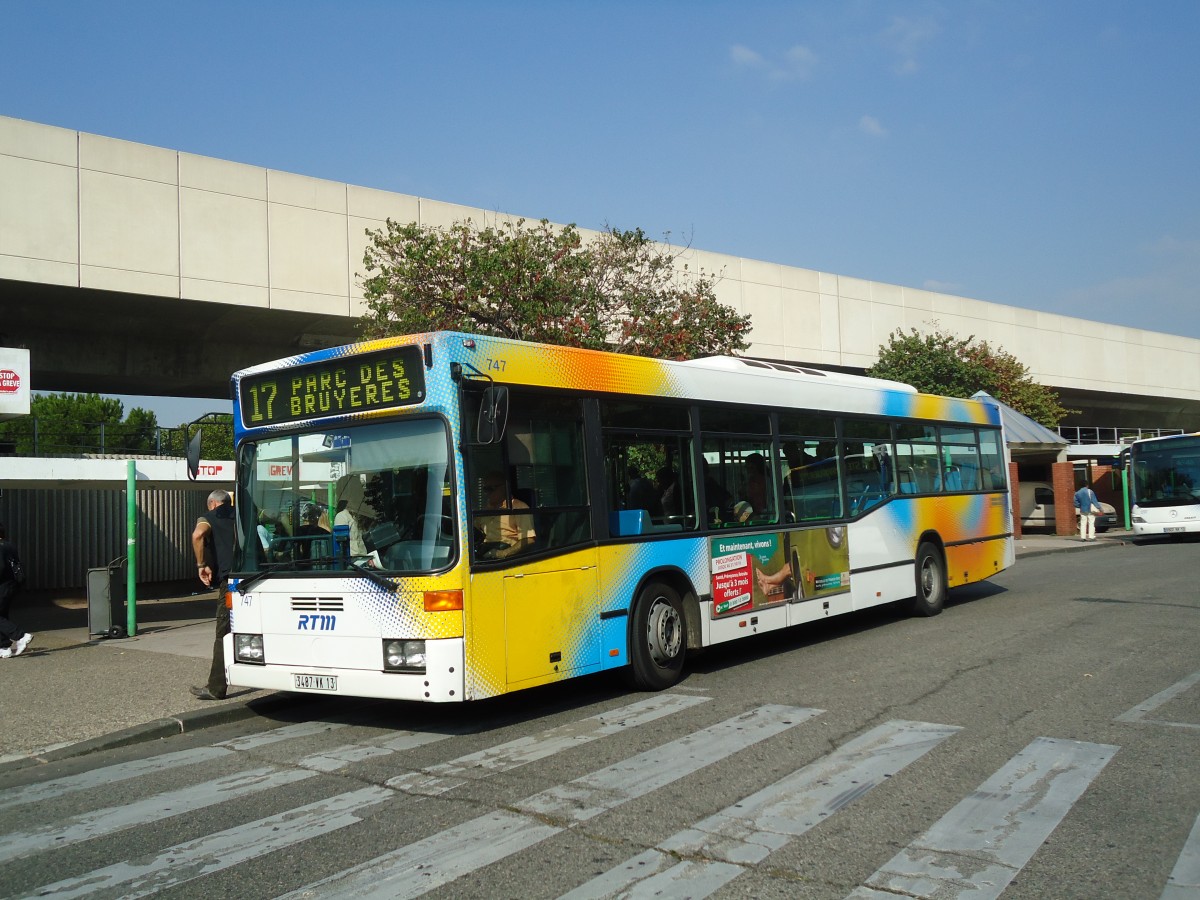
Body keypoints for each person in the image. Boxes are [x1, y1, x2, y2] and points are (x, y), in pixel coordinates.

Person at [191, 489, 235, 700]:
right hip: (256, 575)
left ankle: (216, 688)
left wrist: (201, 565)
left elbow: (198, 535)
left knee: (223, 632)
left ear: (212, 505)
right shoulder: (244, 515)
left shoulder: (210, 517)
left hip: (231, 582)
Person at [477, 471, 535, 558]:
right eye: (485, 489)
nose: (487, 493)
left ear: (504, 488)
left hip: (506, 552)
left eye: (491, 489)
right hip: (485, 549)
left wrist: (502, 553)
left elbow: (529, 539)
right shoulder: (485, 509)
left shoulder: (518, 507)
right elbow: (475, 530)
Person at [0, 523, 33, 659]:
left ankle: (20, 636)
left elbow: (0, 568)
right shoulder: (10, 546)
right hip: (12, 585)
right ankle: (4, 647)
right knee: (2, 615)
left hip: (1, 585)